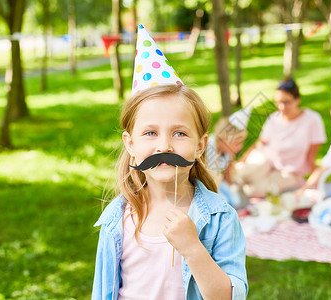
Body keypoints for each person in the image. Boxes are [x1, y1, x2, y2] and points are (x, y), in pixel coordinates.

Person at [92, 25, 248, 300]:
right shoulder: (118, 221)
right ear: (131, 145)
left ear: (200, 146)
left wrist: (192, 247)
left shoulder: (220, 218)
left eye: (179, 133)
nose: (164, 146)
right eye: (150, 133)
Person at [233, 78, 327, 198]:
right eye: (278, 102)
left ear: (297, 100)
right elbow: (260, 143)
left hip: (289, 172)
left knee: (253, 190)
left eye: (286, 102)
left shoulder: (312, 120)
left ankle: (235, 194)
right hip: (267, 158)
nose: (281, 107)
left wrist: (313, 181)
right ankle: (224, 189)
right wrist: (241, 161)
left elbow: (311, 156)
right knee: (243, 173)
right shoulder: (274, 118)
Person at [207, 116, 248, 208]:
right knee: (223, 203)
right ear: (223, 139)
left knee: (236, 200)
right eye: (236, 143)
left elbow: (228, 176)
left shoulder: (227, 152)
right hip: (206, 185)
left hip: (217, 182)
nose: (240, 147)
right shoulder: (209, 149)